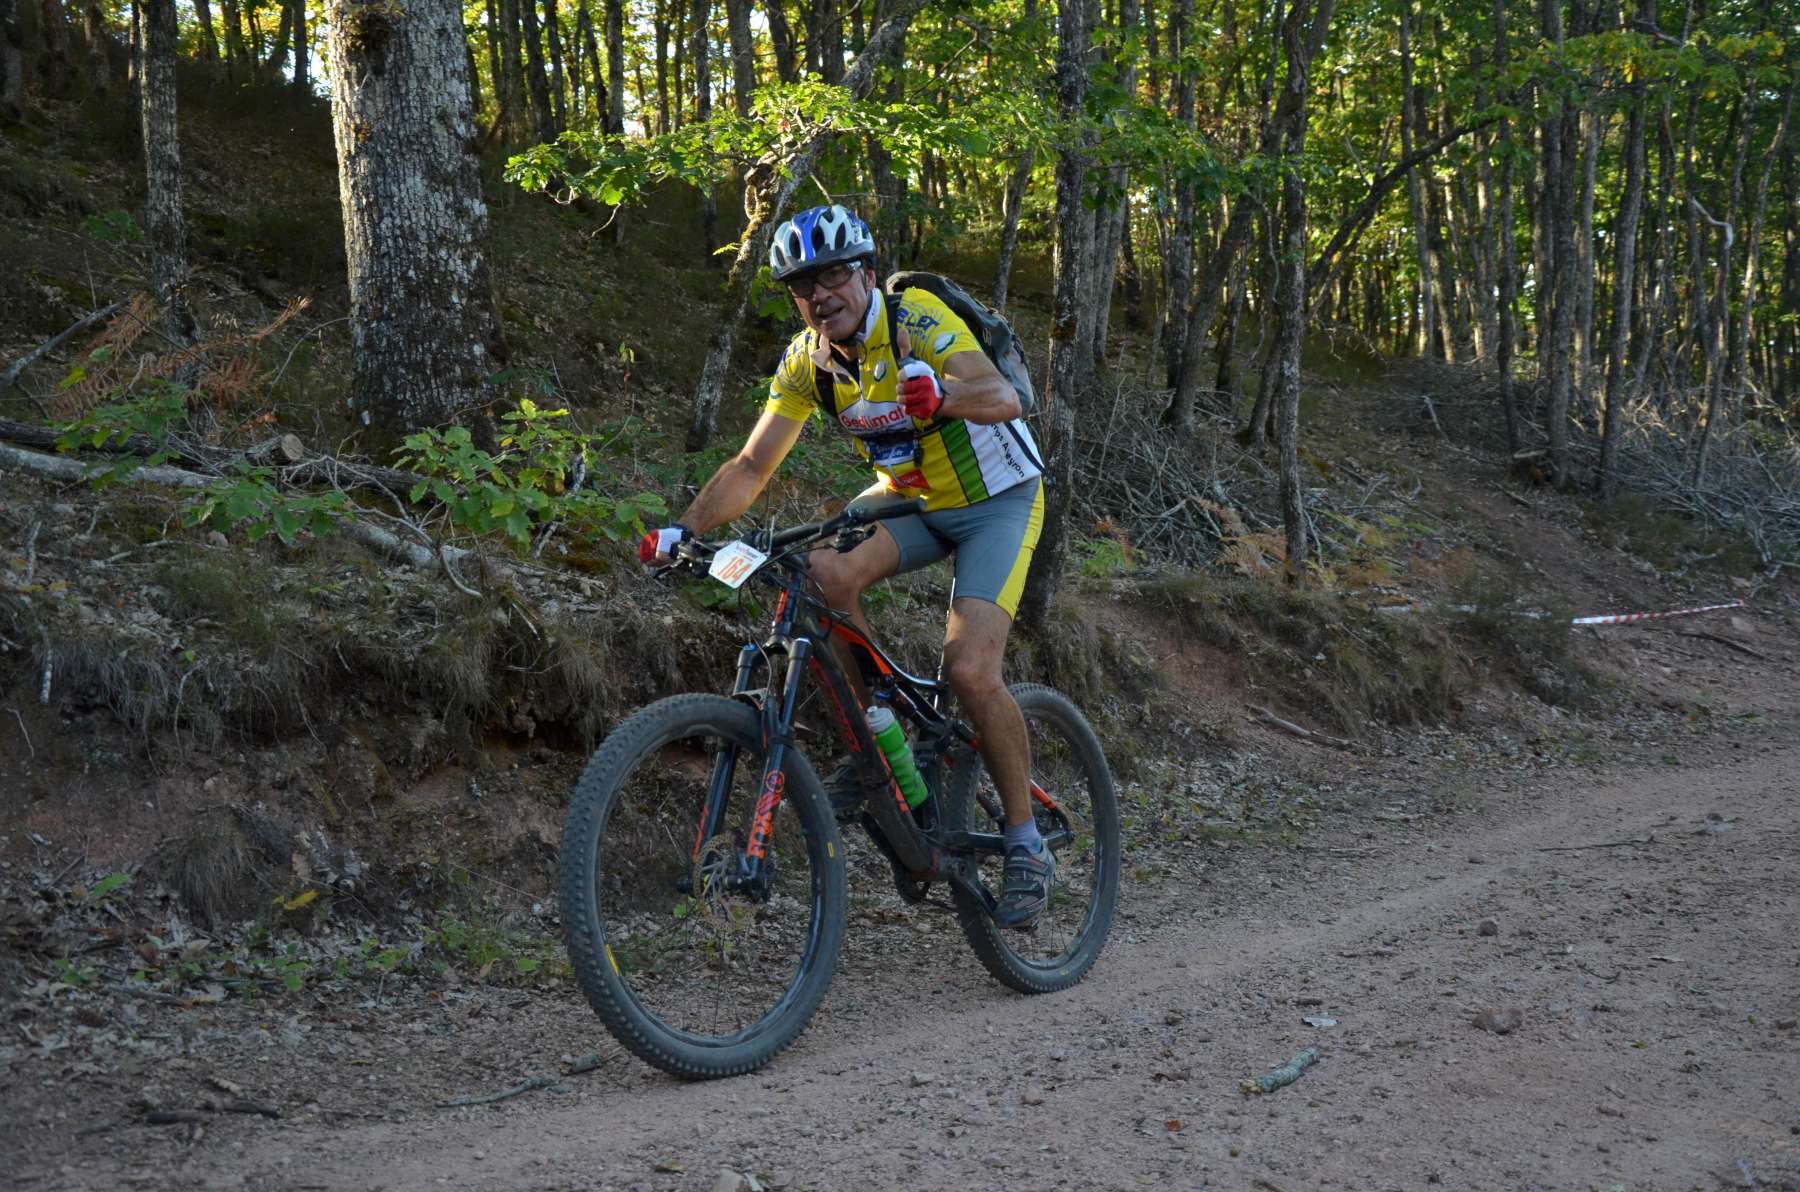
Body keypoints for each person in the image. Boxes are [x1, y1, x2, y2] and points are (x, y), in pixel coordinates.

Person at [638, 204, 1054, 927]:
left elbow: (1003, 395)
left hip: (998, 501)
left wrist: (945, 395)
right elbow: (752, 465)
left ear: (865, 273)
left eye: (833, 274)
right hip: (911, 499)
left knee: (969, 670)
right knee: (818, 575)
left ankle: (1025, 842)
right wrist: (684, 529)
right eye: (803, 285)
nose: (820, 294)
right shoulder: (808, 361)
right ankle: (879, 740)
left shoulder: (918, 319)